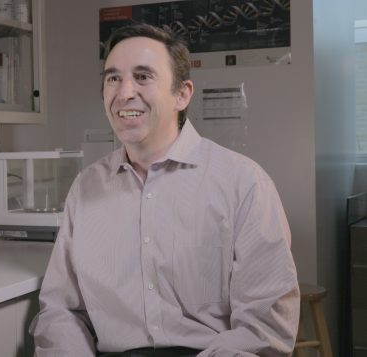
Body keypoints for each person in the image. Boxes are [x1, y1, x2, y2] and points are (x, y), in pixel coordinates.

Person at [30, 23, 300, 356]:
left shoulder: (244, 184)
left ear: (182, 94)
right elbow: (61, 311)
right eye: (113, 78)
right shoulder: (86, 188)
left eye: (143, 76)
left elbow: (263, 330)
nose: (124, 91)